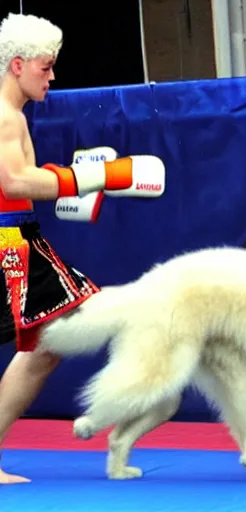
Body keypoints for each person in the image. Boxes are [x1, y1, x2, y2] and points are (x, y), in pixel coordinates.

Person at [0, 13, 165, 483]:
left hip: (18, 233)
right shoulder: (4, 116)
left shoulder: (12, 115)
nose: (52, 76)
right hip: (10, 239)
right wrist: (99, 177)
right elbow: (12, 180)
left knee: (49, 343)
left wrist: (82, 185)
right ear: (17, 65)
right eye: (45, 66)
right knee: (52, 339)